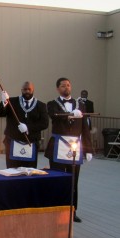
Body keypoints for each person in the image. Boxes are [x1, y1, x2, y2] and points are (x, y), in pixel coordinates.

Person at [45, 77, 93, 223]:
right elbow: (55, 116)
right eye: (63, 86)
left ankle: (73, 210)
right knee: (57, 179)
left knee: (73, 181)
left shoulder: (80, 105)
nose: (66, 87)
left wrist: (88, 149)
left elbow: (84, 128)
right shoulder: (52, 104)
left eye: (68, 85)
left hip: (75, 147)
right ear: (58, 88)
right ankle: (56, 210)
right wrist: (71, 115)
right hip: (58, 146)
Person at [0, 81, 49, 168]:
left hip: (31, 143)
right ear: (21, 90)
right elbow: (0, 113)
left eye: (29, 89)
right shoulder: (12, 102)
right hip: (13, 142)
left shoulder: (41, 105)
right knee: (12, 171)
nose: (27, 91)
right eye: (25, 89)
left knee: (29, 173)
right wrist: (4, 102)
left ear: (33, 90)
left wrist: (28, 127)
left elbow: (44, 123)